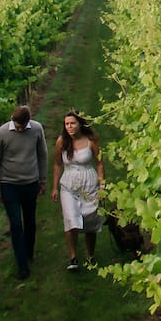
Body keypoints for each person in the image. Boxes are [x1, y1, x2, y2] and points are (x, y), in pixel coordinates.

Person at [0, 103, 48, 279]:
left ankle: (29, 252)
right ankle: (22, 265)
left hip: (30, 183)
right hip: (9, 185)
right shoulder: (2, 133)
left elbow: (42, 155)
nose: (20, 130)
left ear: (28, 121)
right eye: (17, 126)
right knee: (15, 224)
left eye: (23, 126)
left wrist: (42, 180)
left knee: (30, 222)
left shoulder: (36, 129)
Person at [53, 112, 108, 270]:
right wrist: (54, 187)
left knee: (89, 218)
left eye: (72, 123)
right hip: (69, 184)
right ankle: (73, 257)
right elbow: (57, 164)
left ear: (80, 124)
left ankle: (90, 255)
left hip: (88, 182)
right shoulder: (62, 141)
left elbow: (99, 163)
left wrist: (102, 185)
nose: (69, 127)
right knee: (71, 218)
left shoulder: (91, 140)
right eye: (67, 124)